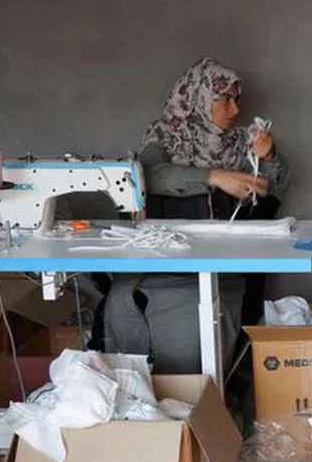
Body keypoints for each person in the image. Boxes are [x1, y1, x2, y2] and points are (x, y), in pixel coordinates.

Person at [101, 58, 291, 373]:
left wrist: (269, 156)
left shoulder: (240, 142)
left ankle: (205, 390)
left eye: (237, 99)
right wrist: (213, 177)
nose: (235, 109)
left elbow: (275, 187)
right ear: (198, 98)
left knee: (209, 311)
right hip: (163, 261)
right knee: (124, 301)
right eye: (224, 99)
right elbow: (150, 177)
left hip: (222, 263)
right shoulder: (165, 135)